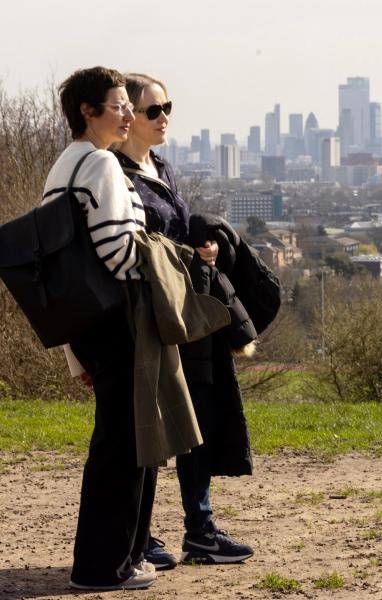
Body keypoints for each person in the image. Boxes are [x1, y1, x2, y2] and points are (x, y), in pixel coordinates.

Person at [113, 73, 256, 569]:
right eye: (153, 110)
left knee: (198, 421)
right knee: (153, 426)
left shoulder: (164, 167)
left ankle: (201, 528)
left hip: (187, 313)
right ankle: (144, 533)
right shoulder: (116, 175)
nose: (164, 117)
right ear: (129, 116)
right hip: (149, 318)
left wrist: (207, 252)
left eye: (167, 107)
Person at [44, 67, 155, 590]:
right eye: (118, 105)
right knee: (126, 445)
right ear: (88, 112)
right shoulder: (103, 165)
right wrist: (164, 258)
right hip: (118, 321)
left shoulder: (63, 166)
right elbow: (118, 253)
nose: (129, 114)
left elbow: (60, 267)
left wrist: (74, 350)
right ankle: (106, 566)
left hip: (88, 325)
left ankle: (116, 559)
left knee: (113, 442)